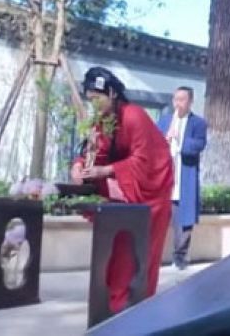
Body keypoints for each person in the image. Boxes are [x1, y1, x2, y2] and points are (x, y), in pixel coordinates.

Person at [72, 66, 174, 313]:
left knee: (140, 252)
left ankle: (135, 307)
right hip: (126, 192)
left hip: (152, 191)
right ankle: (112, 303)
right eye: (91, 99)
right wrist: (79, 166)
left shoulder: (134, 115)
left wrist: (107, 171)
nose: (95, 104)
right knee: (116, 249)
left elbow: (144, 159)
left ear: (113, 94)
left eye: (98, 98)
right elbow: (95, 152)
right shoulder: (103, 121)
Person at [156, 86, 208, 270]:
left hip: (184, 176)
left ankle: (180, 257)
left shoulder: (198, 123)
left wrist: (180, 140)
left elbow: (199, 145)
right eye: (175, 99)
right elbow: (153, 145)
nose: (177, 103)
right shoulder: (164, 121)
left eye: (182, 99)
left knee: (184, 220)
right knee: (158, 220)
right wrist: (164, 140)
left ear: (190, 101)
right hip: (165, 178)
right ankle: (153, 257)